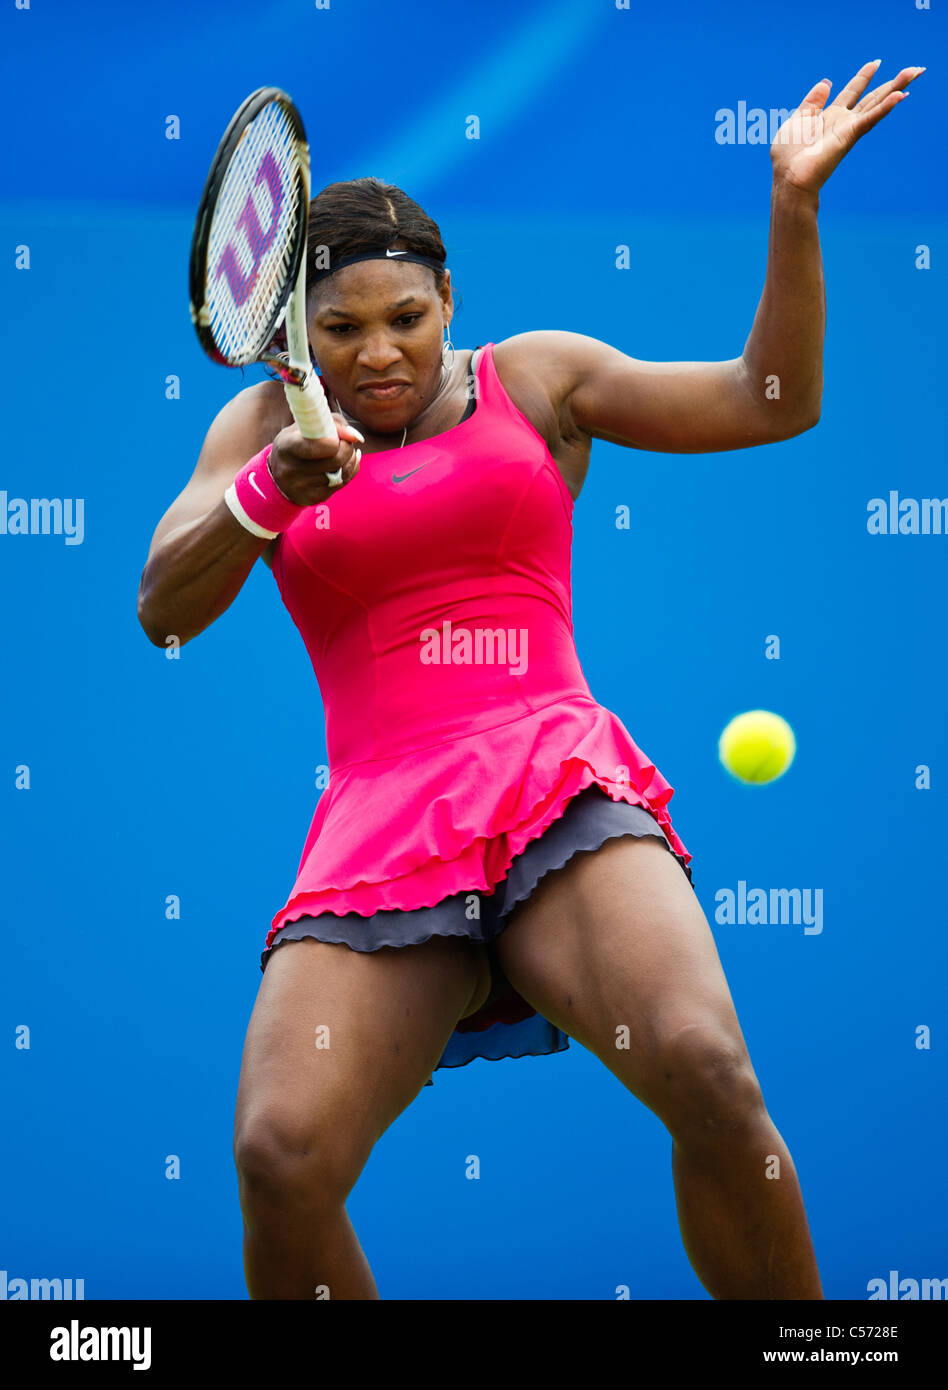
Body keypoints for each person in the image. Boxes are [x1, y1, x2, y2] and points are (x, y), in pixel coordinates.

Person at [138, 61, 921, 1299]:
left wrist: (793, 206)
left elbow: (772, 402)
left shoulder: (539, 378)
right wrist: (269, 488)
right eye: (340, 331)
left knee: (704, 1064)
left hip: (558, 783)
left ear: (449, 298)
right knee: (280, 1154)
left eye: (407, 316)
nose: (380, 352)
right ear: (295, 329)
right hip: (380, 829)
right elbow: (161, 609)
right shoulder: (255, 433)